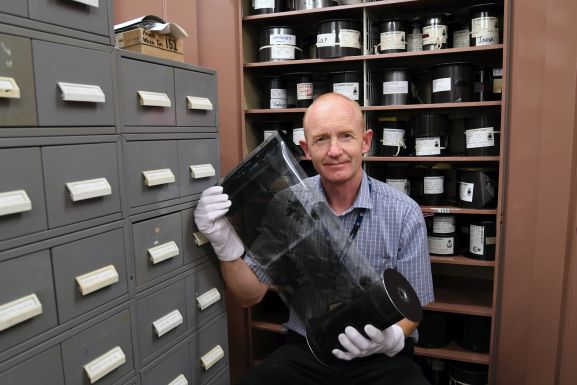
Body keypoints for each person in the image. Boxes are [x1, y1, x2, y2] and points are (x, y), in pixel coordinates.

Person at [194, 93, 434, 385]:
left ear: (366, 141)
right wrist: (224, 243)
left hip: (380, 355)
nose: (334, 151)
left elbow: (413, 305)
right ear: (306, 149)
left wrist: (392, 338)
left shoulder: (403, 212)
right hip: (309, 349)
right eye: (321, 139)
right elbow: (249, 296)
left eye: (346, 136)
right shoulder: (286, 205)